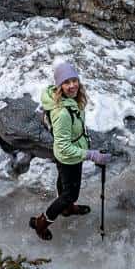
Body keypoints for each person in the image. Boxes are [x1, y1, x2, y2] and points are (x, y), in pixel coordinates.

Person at [29, 62, 111, 241]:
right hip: (68, 157)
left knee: (65, 186)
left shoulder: (73, 101)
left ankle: (67, 209)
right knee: (70, 194)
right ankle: (41, 223)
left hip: (69, 153)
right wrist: (91, 154)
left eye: (74, 80)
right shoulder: (63, 113)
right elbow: (64, 146)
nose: (72, 85)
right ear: (60, 86)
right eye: (66, 83)